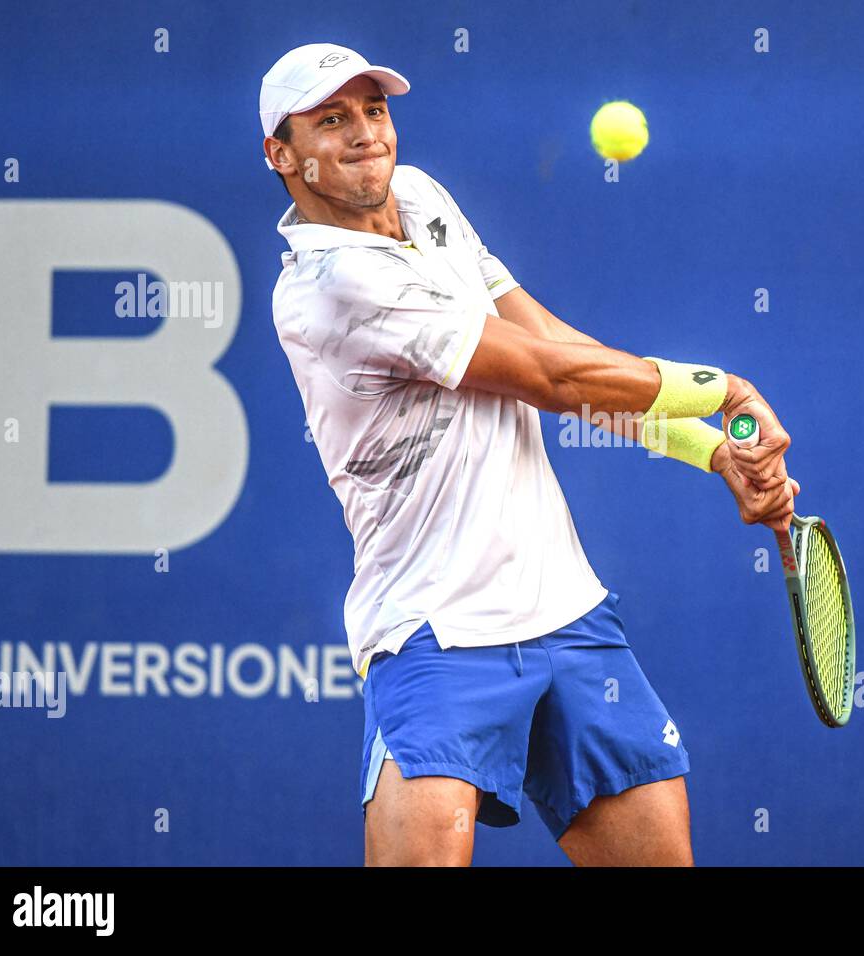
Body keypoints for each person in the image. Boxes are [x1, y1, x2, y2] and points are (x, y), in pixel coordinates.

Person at [261, 43, 799, 866]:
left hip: (569, 615)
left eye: (374, 110)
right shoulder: (331, 285)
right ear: (284, 155)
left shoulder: (420, 196)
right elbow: (547, 377)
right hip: (437, 632)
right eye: (331, 120)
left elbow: (548, 338)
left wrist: (706, 451)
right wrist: (720, 389)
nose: (367, 133)